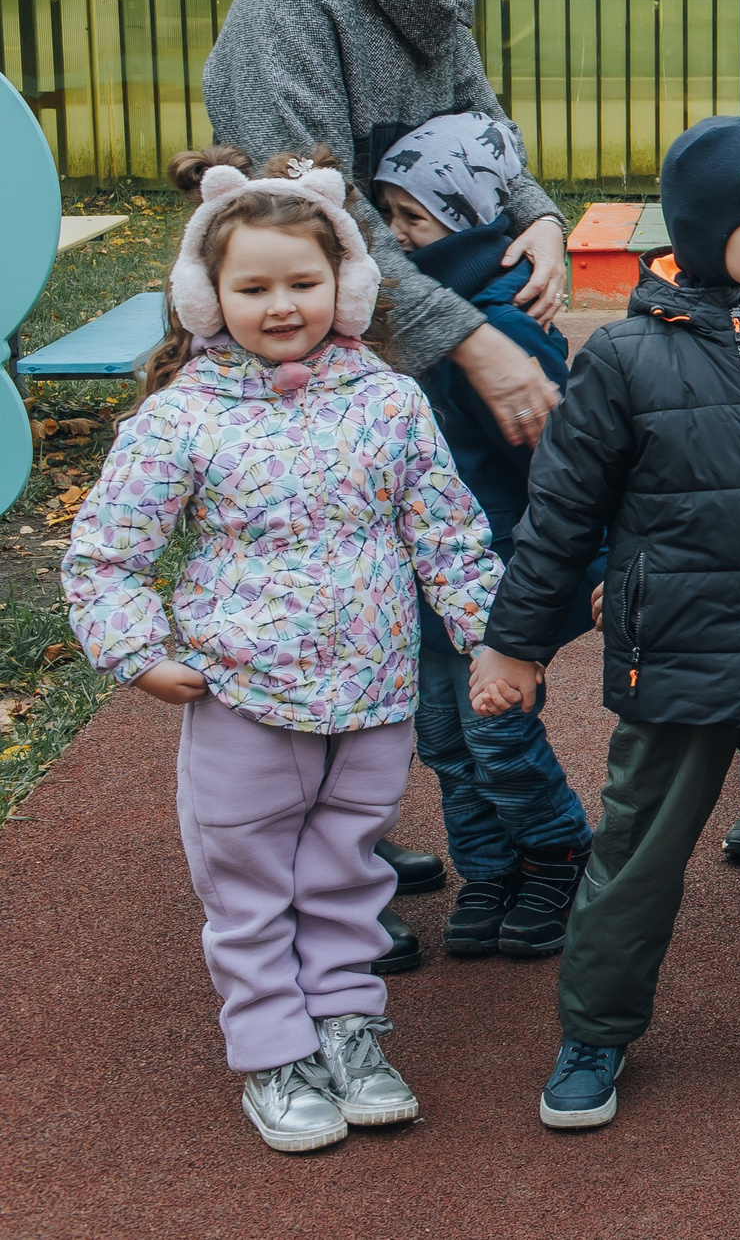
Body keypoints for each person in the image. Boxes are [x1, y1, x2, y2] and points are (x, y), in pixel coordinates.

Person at [469, 114, 740, 1132]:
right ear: (705, 231)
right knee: (635, 860)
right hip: (675, 663)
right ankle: (596, 1030)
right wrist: (516, 643)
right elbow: (562, 516)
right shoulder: (625, 360)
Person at [64, 153, 501, 1153]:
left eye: (301, 282)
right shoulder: (183, 419)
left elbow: (448, 532)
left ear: (343, 285)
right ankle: (273, 1053)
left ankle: (348, 1031)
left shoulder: (387, 402)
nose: (280, 305)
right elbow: (106, 553)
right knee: (250, 879)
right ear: (206, 297)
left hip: (371, 694)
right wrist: (138, 651)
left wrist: (489, 639)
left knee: (346, 874)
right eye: (252, 287)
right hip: (242, 698)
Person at [200, 0, 568, 447]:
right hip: (322, 379)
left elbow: (481, 123)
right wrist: (469, 339)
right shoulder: (286, 5)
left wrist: (542, 218)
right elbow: (318, 218)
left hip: (442, 307)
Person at [368, 117, 594, 962]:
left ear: (465, 218)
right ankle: (488, 867)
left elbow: (564, 473)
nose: (394, 234)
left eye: (412, 216)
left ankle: (559, 850)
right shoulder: (406, 321)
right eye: (387, 212)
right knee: (444, 739)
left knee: (498, 734)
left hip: (493, 579)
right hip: (421, 582)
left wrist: (579, 578)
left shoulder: (505, 328)